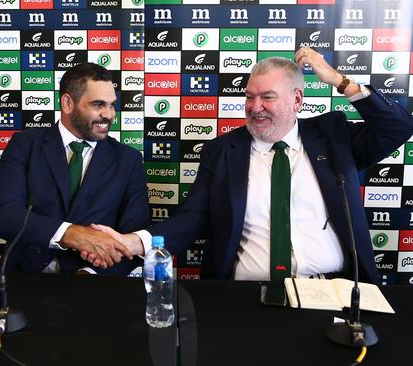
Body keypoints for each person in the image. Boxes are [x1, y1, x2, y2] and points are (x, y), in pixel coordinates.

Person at [90, 47, 413, 283]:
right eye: (249, 97)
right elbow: (191, 219)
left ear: (297, 99)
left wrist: (339, 81)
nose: (255, 107)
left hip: (333, 290)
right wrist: (133, 242)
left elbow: (398, 127)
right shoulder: (222, 151)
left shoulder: (334, 136)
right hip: (244, 295)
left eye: (268, 97)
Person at [0, 63, 149, 275]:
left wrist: (92, 274)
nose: (109, 115)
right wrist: (72, 234)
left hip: (93, 289)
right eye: (98, 105)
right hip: (23, 282)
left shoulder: (129, 160)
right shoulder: (25, 144)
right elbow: (2, 215)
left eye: (111, 105)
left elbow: (133, 241)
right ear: (67, 103)